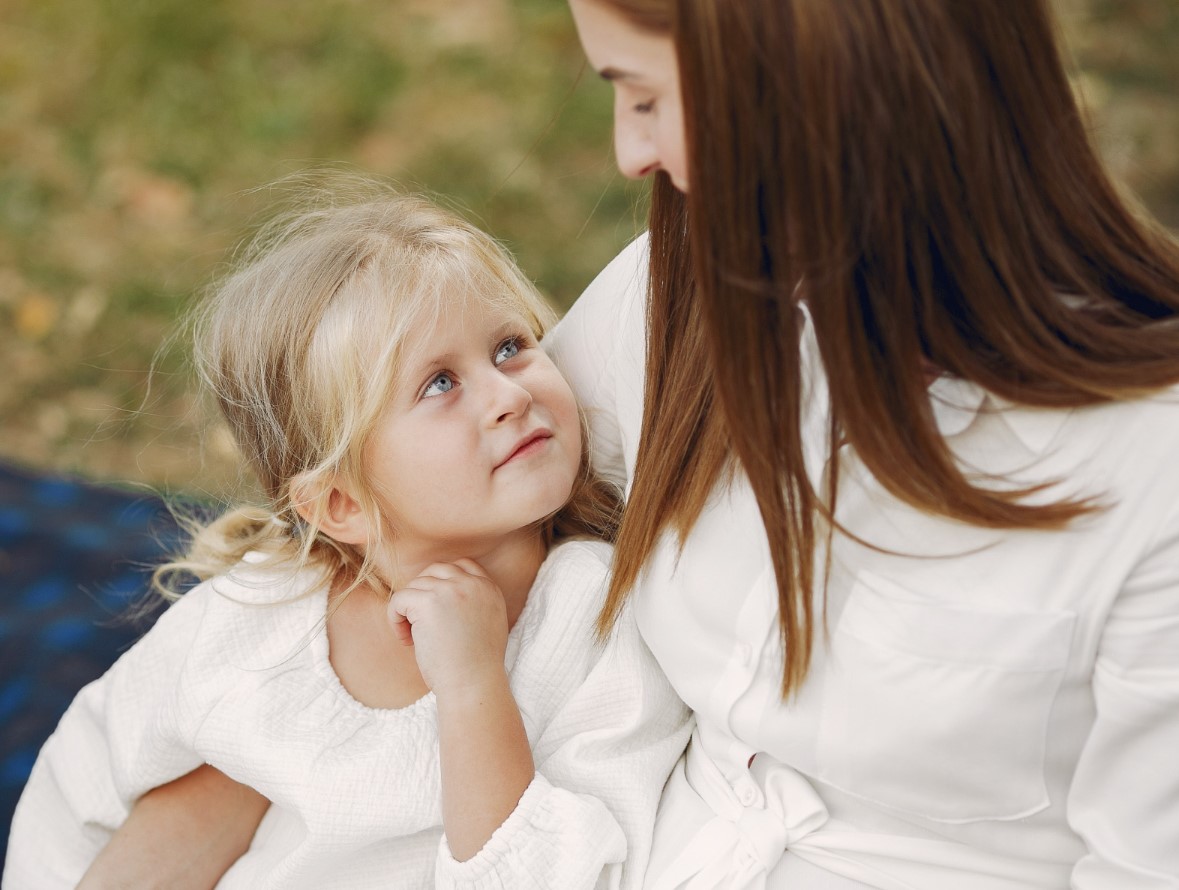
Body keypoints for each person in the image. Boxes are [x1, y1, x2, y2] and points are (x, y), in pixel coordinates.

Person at [27, 1, 1179, 887]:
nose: (632, 154)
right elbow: (427, 512)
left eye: (642, 92)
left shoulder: (1144, 485)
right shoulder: (685, 304)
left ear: (807, 98)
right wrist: (255, 742)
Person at [2, 183, 691, 889]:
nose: (508, 395)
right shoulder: (261, 614)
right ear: (342, 502)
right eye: (439, 384)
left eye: (510, 346)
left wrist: (472, 683)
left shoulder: (598, 618)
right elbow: (84, 791)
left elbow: (572, 874)